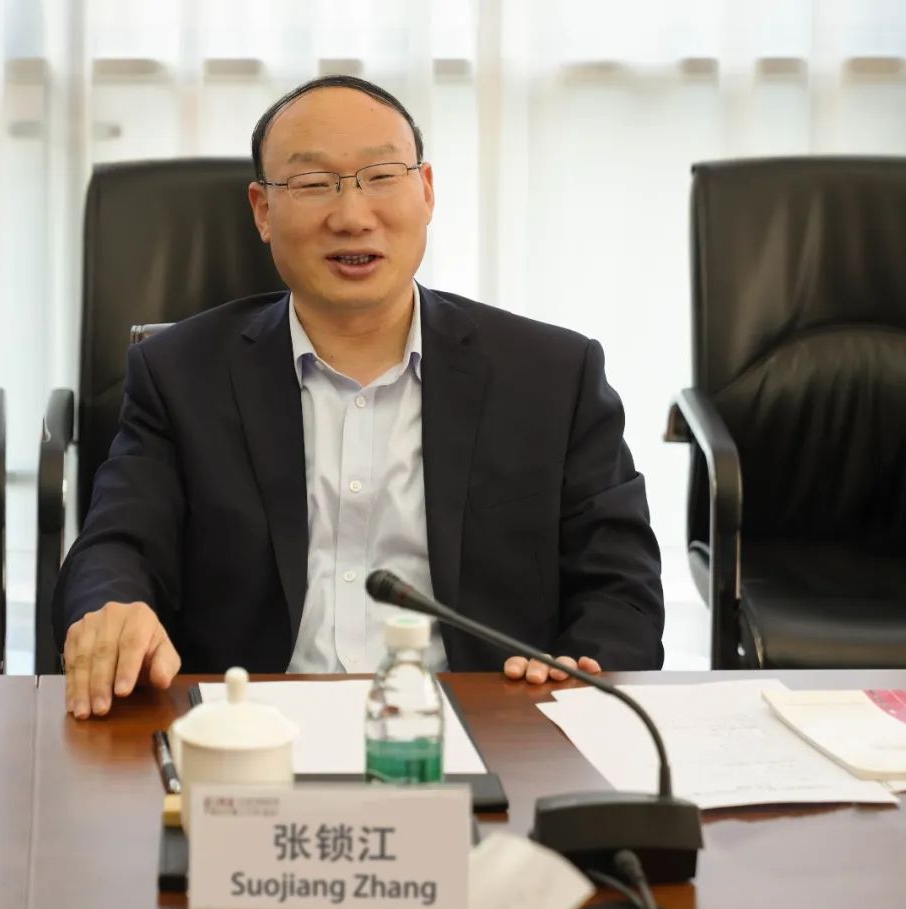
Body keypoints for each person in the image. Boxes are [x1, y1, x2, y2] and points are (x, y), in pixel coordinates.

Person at [54, 75, 664, 720]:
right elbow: (118, 544)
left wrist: (581, 669)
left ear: (426, 192)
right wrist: (113, 610)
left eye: (381, 176)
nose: (351, 216)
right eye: (313, 183)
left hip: (483, 724)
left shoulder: (550, 376)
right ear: (263, 211)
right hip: (247, 727)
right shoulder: (180, 374)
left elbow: (620, 583)